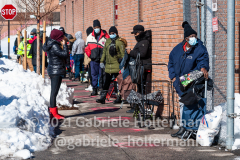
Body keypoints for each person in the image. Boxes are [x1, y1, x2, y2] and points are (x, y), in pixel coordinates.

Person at [168, 21, 209, 138]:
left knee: (189, 105)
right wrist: (173, 76)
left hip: (191, 80)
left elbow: (203, 60)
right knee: (183, 105)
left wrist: (203, 67)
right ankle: (184, 127)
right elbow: (170, 62)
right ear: (186, 38)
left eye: (195, 36)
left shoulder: (200, 48)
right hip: (179, 81)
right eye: (191, 37)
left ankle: (189, 128)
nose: (194, 38)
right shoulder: (177, 50)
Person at [43, 29, 68, 120]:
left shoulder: (51, 44)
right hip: (56, 71)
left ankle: (54, 112)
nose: (62, 39)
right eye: (61, 37)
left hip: (55, 70)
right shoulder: (54, 45)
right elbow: (64, 54)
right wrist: (65, 45)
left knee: (54, 92)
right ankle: (53, 114)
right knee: (54, 92)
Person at [96, 26, 125, 104]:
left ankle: (118, 97)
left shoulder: (119, 42)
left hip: (116, 66)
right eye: (110, 33)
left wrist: (122, 66)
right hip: (108, 66)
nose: (112, 34)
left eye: (113, 33)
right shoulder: (108, 41)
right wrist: (102, 61)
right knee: (106, 82)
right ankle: (103, 98)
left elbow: (123, 55)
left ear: (116, 33)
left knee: (117, 82)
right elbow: (104, 52)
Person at [85, 20, 110, 96]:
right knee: (94, 74)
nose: (97, 29)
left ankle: (102, 89)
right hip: (94, 59)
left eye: (98, 27)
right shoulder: (90, 37)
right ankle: (94, 89)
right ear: (93, 28)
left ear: (100, 27)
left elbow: (109, 46)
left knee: (102, 74)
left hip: (102, 60)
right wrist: (91, 55)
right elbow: (87, 48)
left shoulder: (105, 36)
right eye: (95, 27)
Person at [84, 27, 94, 91]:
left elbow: (87, 50)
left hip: (91, 57)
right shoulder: (95, 36)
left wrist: (86, 62)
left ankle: (93, 85)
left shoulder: (88, 38)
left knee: (91, 73)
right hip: (96, 57)